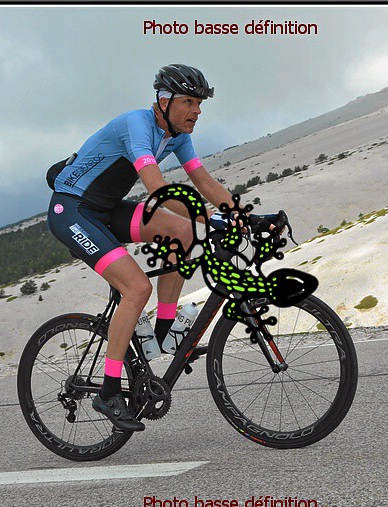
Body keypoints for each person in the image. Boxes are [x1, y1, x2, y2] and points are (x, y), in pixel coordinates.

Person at [46, 64, 251, 432]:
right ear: (164, 101)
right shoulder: (137, 124)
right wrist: (213, 219)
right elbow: (158, 190)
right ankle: (108, 391)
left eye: (199, 104)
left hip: (107, 209)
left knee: (185, 233)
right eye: (189, 102)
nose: (196, 111)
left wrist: (241, 215)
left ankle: (164, 331)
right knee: (137, 288)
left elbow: (203, 181)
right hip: (72, 210)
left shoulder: (177, 135)